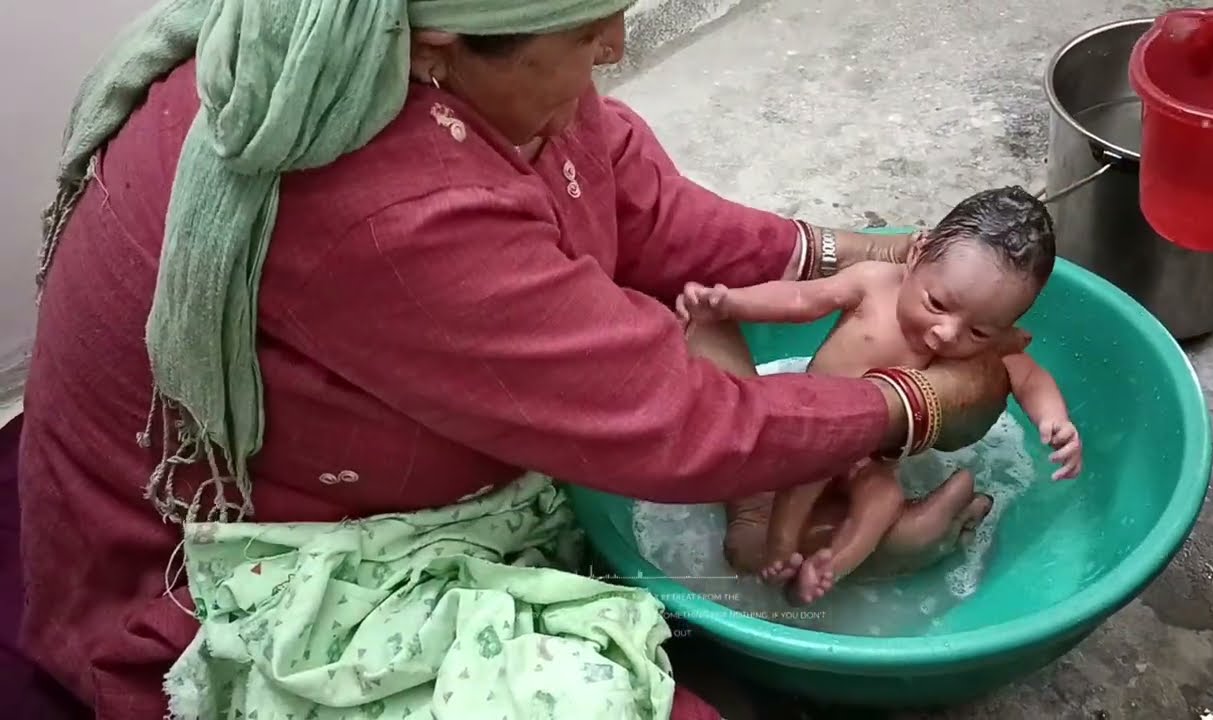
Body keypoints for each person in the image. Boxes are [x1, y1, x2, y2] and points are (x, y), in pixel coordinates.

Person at [18, 2, 1022, 718]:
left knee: (686, 322)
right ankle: (814, 539)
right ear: (447, 43)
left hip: (394, 388)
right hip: (254, 571)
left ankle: (826, 525)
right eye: (585, 29)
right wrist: (915, 403)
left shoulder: (415, 46)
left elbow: (634, 199)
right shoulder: (385, 204)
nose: (616, 41)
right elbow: (682, 421)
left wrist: (864, 257)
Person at [678, 187, 1083, 605]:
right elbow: (801, 299)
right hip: (808, 430)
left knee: (883, 497)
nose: (947, 333)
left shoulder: (989, 345)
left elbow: (1030, 377)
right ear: (915, 255)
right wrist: (731, 302)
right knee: (804, 474)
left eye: (978, 330)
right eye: (937, 303)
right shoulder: (874, 283)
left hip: (864, 459)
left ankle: (831, 565)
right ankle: (781, 550)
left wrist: (1055, 421)